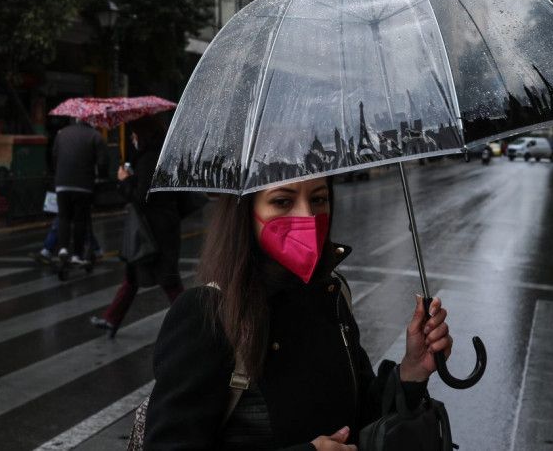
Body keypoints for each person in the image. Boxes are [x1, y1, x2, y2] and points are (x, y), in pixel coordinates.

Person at [143, 176, 453, 449]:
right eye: (282, 201)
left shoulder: (331, 295)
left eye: (318, 198)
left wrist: (412, 370)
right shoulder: (207, 314)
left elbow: (360, 417)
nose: (307, 215)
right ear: (245, 212)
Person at [91, 117, 181, 337]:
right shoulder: (159, 154)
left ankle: (193, 323)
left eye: (133, 134)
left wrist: (124, 181)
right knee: (133, 275)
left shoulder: (149, 158)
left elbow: (141, 196)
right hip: (156, 227)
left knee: (168, 280)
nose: (132, 138)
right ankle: (112, 319)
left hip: (154, 230)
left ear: (143, 133)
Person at [52, 119, 109, 267]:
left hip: (62, 182)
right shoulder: (95, 136)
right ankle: (77, 254)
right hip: (83, 184)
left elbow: (54, 156)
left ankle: (63, 249)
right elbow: (103, 162)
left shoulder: (62, 133)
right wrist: (101, 176)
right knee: (80, 219)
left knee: (63, 216)